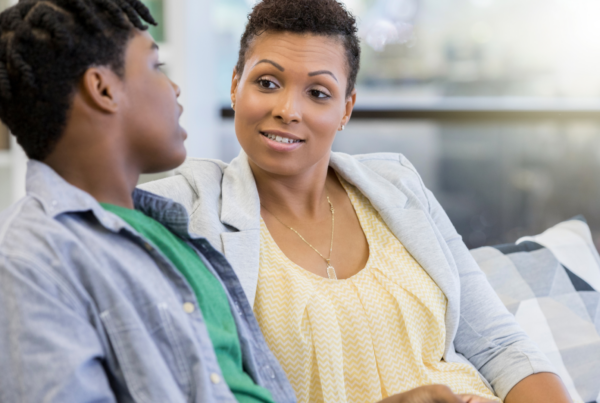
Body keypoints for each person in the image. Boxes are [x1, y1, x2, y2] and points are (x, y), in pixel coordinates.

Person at [141, 1, 574, 402]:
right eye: (267, 83)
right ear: (236, 86)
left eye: (318, 93)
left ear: (346, 109)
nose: (288, 110)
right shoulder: (188, 207)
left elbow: (500, 344)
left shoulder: (397, 186)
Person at [0, 1, 296, 402]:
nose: (174, 88)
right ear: (103, 88)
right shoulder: (30, 258)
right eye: (156, 67)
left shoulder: (168, 228)